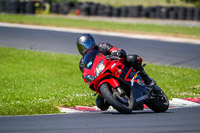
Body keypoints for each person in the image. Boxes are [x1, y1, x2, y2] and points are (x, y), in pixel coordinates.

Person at [76, 33, 156, 110]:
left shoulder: (102, 46)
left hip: (116, 68)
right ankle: (120, 100)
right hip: (101, 77)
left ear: (91, 42)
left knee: (132, 58)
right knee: (100, 104)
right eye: (81, 47)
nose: (84, 48)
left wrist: (117, 52)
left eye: (85, 45)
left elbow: (115, 50)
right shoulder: (82, 63)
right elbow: (86, 72)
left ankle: (148, 81)